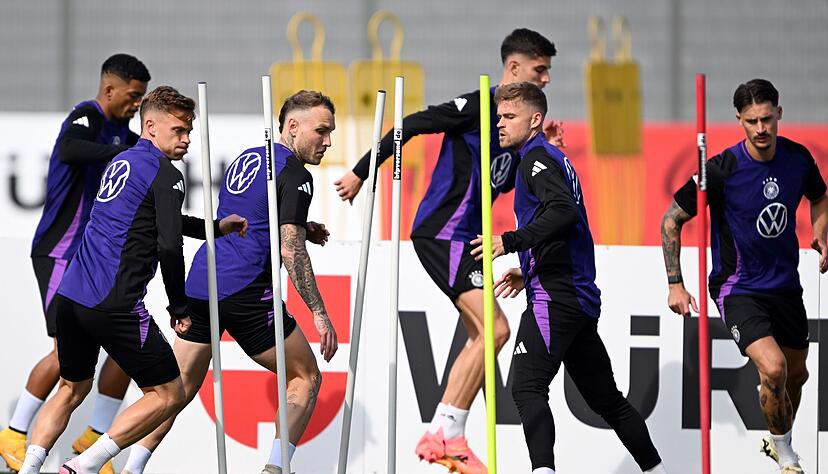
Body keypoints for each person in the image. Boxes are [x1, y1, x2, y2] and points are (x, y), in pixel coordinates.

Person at [335, 28, 560, 473]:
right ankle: (446, 431)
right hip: (444, 232)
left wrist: (544, 148)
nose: (547, 79)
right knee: (495, 330)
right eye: (541, 69)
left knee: (483, 335)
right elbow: (412, 124)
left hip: (467, 239)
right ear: (514, 67)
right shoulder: (480, 103)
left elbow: (498, 180)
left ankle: (446, 434)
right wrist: (364, 171)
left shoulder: (515, 129)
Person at [16, 86, 247, 474]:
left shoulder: (122, 161)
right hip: (115, 304)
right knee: (169, 393)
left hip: (71, 296)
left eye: (190, 130)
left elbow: (160, 220)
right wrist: (179, 307)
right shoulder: (166, 174)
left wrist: (216, 227)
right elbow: (170, 247)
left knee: (71, 389)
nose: (187, 139)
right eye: (179, 130)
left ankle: (30, 468)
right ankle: (85, 465)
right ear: (151, 126)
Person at [120, 90, 339, 474]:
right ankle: (275, 469)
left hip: (203, 282)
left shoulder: (248, 156)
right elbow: (290, 253)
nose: (328, 142)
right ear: (292, 127)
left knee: (176, 390)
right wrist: (320, 314)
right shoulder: (295, 175)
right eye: (321, 131)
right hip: (246, 290)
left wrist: (303, 228)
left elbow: (254, 218)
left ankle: (128, 466)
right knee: (305, 376)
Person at [471, 82, 666, 474]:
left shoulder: (535, 160)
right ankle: (658, 470)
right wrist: (529, 268)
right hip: (572, 295)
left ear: (536, 119)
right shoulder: (551, 157)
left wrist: (510, 241)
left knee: (526, 387)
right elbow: (564, 228)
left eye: (509, 117)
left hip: (556, 298)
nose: (500, 125)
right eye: (498, 117)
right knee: (607, 400)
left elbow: (562, 213)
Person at [661, 78, 826, 474]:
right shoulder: (720, 170)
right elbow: (671, 221)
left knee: (796, 376)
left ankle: (776, 439)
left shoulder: (798, 159)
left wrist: (821, 232)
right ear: (739, 120)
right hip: (738, 287)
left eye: (767, 119)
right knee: (773, 368)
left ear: (779, 114)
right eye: (752, 121)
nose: (761, 129)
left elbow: (819, 196)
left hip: (785, 285)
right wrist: (675, 283)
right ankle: (787, 455)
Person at [0, 53, 151, 474]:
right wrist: (125, 150)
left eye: (142, 98)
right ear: (110, 89)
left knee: (119, 343)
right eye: (133, 95)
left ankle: (94, 437)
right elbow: (68, 150)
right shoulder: (87, 117)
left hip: (92, 257)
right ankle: (13, 434)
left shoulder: (122, 131)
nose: (136, 104)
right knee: (65, 352)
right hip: (60, 250)